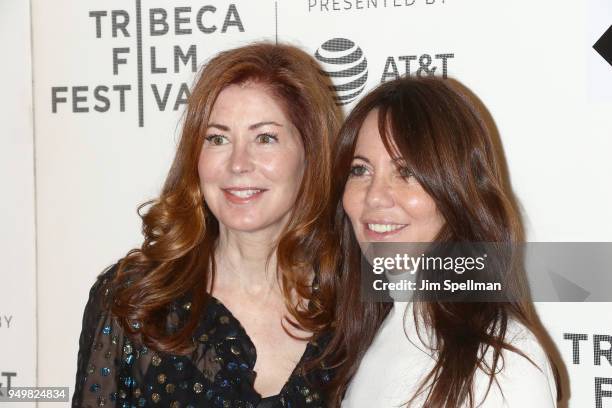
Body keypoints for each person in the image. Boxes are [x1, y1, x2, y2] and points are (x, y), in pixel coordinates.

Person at [72, 43, 342, 408]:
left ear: (311, 153)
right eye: (217, 139)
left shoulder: (358, 304)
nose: (238, 163)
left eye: (265, 138)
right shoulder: (133, 302)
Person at [321, 76, 562, 407]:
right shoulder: (365, 338)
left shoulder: (502, 360)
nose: (375, 197)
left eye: (407, 173)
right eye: (360, 171)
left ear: (457, 193)